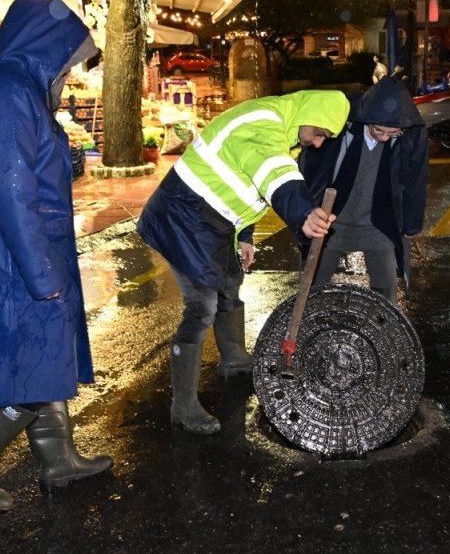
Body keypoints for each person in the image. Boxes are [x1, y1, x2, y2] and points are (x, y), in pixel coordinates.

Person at [0, 0, 111, 513]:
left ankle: (58, 458)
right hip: (13, 260)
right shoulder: (7, 92)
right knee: (29, 368)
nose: (71, 72)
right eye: (69, 60)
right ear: (46, 46)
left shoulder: (23, 89)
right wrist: (40, 274)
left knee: (47, 358)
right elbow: (13, 195)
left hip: (32, 252)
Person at [138, 90, 349, 435]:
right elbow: (273, 172)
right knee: (201, 306)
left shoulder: (284, 129)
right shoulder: (263, 123)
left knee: (231, 282)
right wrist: (303, 215)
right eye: (321, 133)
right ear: (311, 114)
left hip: (215, 220)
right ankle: (184, 406)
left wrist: (245, 235)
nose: (318, 143)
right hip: (182, 216)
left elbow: (248, 180)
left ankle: (234, 359)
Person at [297, 76, 428, 302]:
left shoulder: (412, 131)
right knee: (313, 287)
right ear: (368, 120)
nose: (385, 138)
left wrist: (411, 224)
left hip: (378, 221)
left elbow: (416, 178)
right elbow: (310, 168)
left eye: (393, 133)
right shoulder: (340, 124)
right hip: (331, 220)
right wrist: (305, 211)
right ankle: (312, 331)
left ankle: (381, 334)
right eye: (380, 131)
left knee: (386, 291)